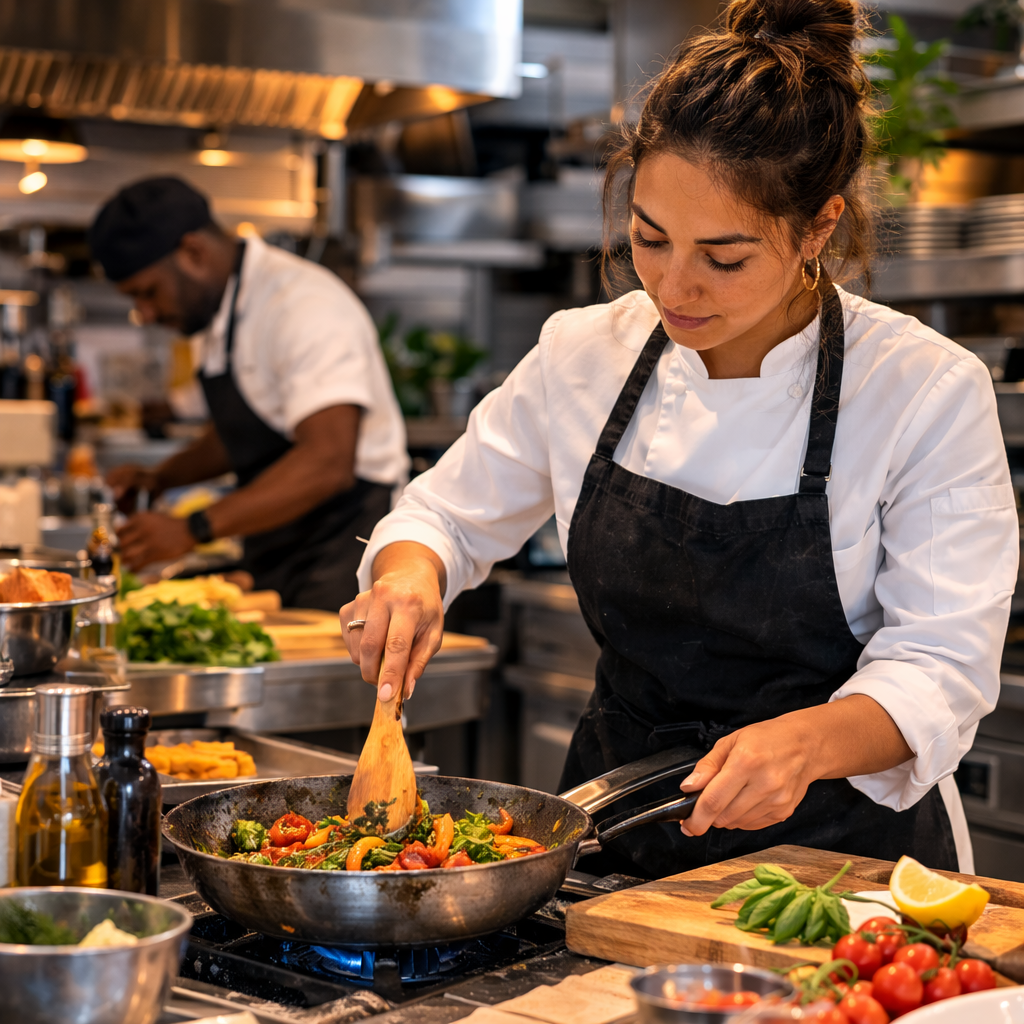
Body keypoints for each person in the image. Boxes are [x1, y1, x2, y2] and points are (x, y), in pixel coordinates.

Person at [341, 0, 1019, 878]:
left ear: (819, 227)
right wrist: (409, 579)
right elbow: (444, 516)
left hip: (842, 864)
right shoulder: (584, 353)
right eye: (650, 239)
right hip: (615, 838)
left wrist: (806, 742)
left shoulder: (923, 388)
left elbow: (940, 666)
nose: (673, 286)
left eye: (724, 258)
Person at [90, 177, 408, 611]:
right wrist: (162, 478)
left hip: (345, 548)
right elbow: (244, 432)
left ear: (193, 253)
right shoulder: (217, 313)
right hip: (278, 544)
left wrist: (191, 529)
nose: (144, 314)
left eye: (148, 293)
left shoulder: (302, 305)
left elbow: (328, 461)